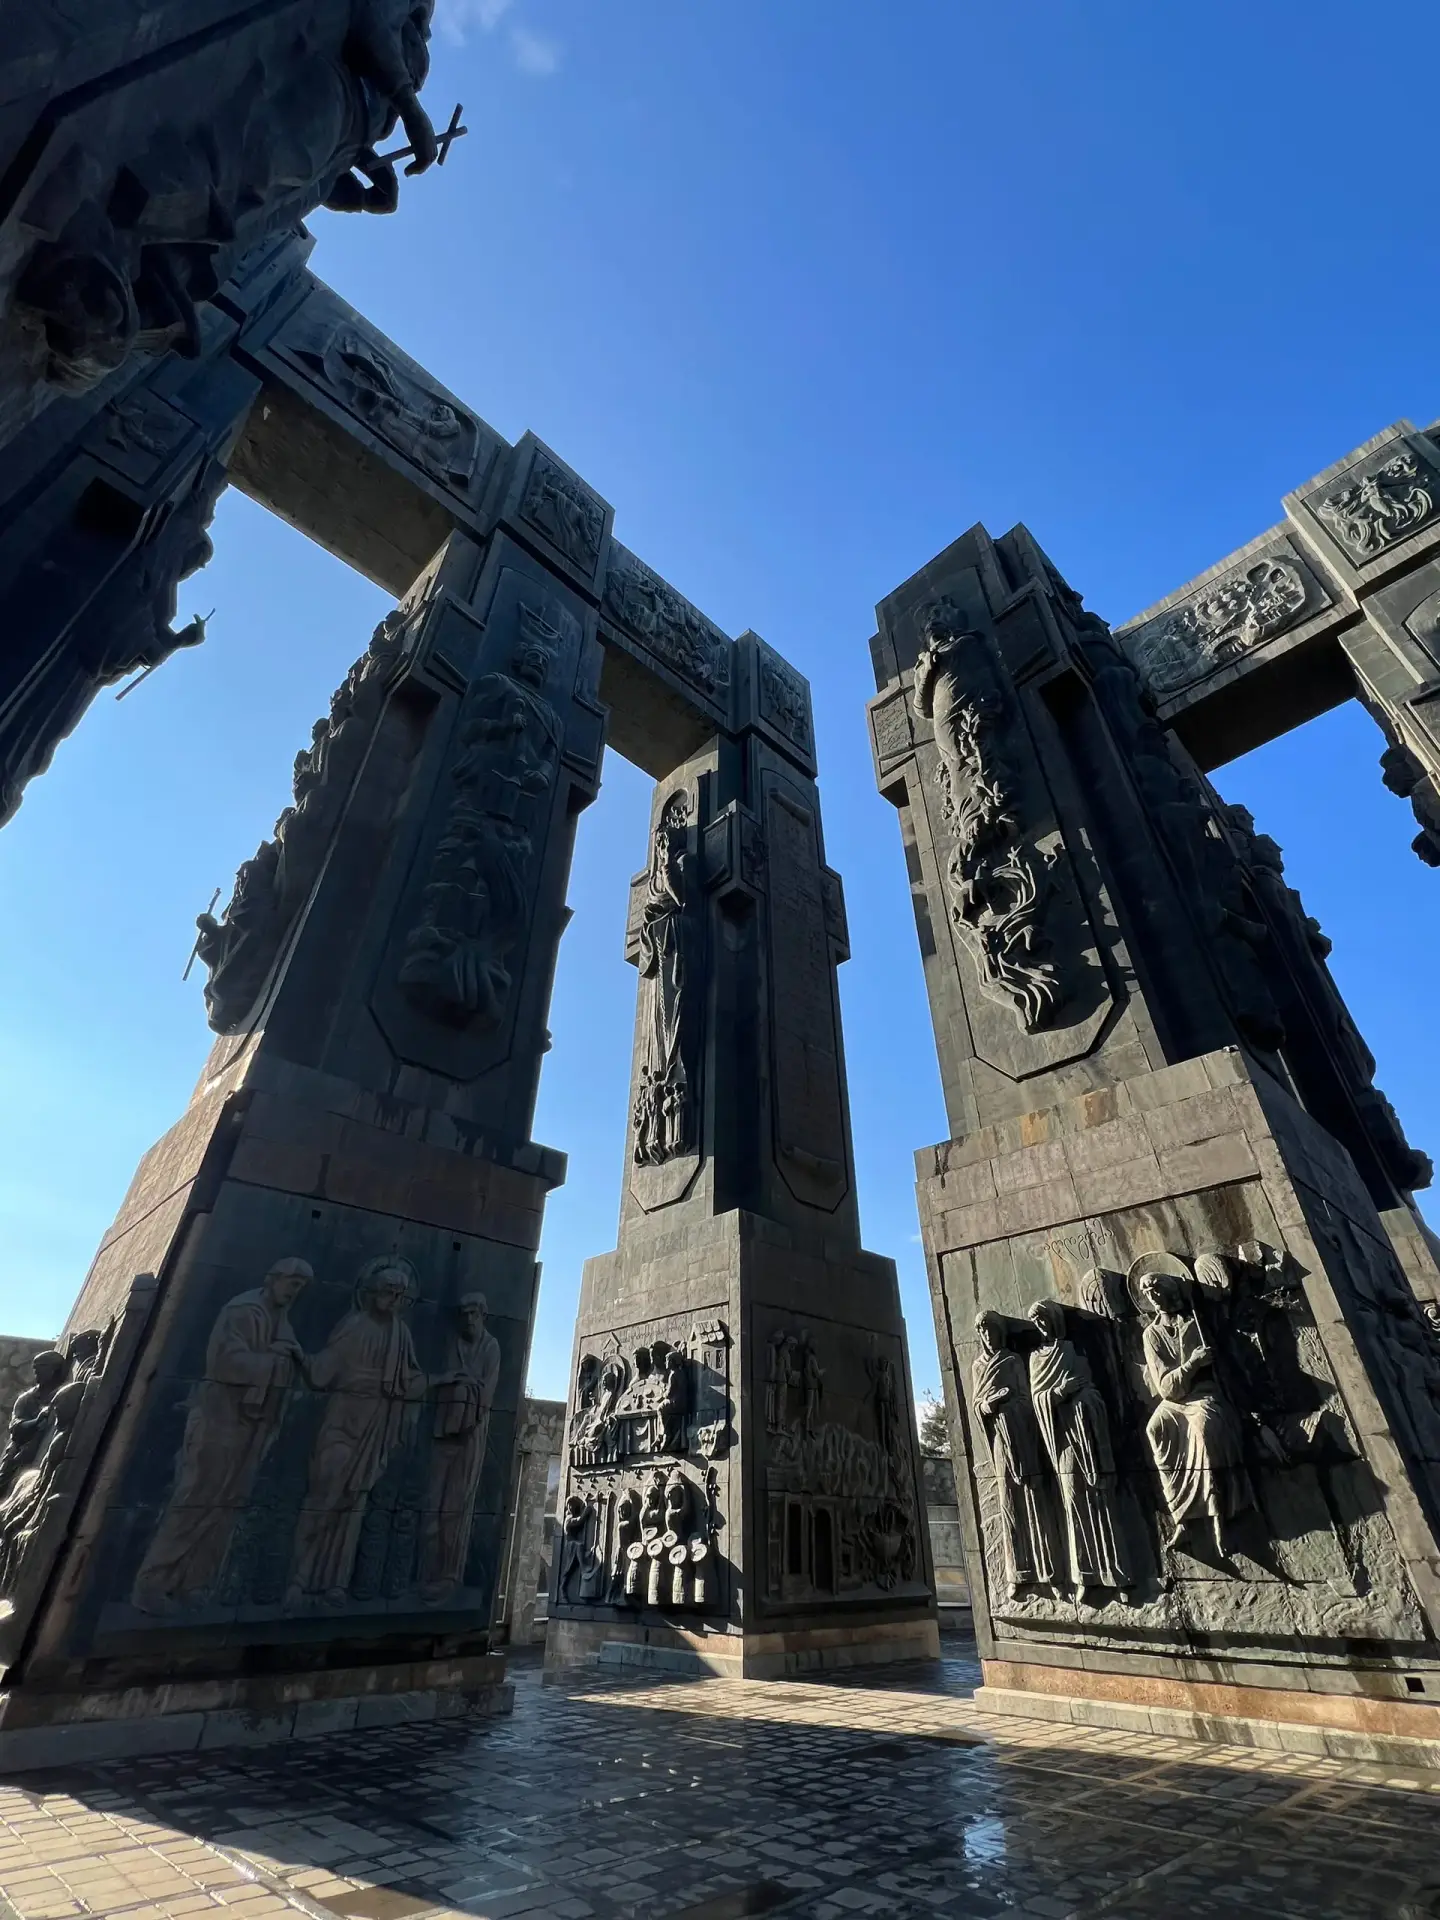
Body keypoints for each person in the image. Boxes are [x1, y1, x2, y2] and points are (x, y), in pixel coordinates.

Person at [132, 1258, 311, 1611]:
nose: (295, 1292)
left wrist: (292, 1361)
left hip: (254, 1425)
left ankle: (195, 1584)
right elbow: (227, 1363)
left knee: (228, 1504)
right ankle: (152, 1584)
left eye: (300, 1288)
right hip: (220, 1419)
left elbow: (295, 1364)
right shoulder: (243, 1311)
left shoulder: (281, 1319)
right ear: (273, 1278)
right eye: (292, 1284)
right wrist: (273, 1359)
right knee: (196, 1498)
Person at [288, 1257, 424, 1605]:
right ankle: (299, 1577)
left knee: (354, 1503)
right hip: (342, 1420)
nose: (393, 1300)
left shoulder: (401, 1334)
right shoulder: (355, 1326)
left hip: (375, 1426)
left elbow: (408, 1379)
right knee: (324, 1493)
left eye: (400, 1295)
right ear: (373, 1292)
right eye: (388, 1292)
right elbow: (324, 1371)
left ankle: (335, 1582)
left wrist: (432, 1382)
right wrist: (300, 1357)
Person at [1136, 1270, 1254, 1557]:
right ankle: (1183, 1519)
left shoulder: (1196, 1321)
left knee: (1203, 1430)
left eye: (1157, 1289)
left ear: (1171, 1289)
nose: (1153, 1296)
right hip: (1176, 1400)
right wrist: (1192, 1364)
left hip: (1205, 1393)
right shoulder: (1151, 1334)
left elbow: (1229, 1358)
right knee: (1156, 1428)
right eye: (1147, 1293)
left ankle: (1219, 1520)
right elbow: (1166, 1387)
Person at [1027, 1300, 1129, 1602]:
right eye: (1036, 1321)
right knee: (1073, 1501)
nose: (1041, 1325)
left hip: (1086, 1433)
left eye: (1044, 1319)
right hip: (1062, 1439)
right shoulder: (1035, 1359)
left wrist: (1083, 1401)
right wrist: (1060, 1393)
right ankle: (1084, 1575)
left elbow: (1094, 1391)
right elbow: (1038, 1399)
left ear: (1055, 1320)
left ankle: (1116, 1575)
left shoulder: (1073, 1351)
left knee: (1101, 1502)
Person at [418, 1293, 501, 1599]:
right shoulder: (451, 1344)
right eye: (464, 1314)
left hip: (469, 1433)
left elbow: (487, 1393)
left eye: (473, 1314)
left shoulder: (490, 1348)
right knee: (431, 1502)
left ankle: (449, 1575)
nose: (468, 1320)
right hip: (443, 1430)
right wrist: (454, 1380)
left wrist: (466, 1395)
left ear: (483, 1316)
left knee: (456, 1505)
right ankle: (424, 1573)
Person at [971, 1313, 1055, 1598]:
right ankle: (1017, 1573)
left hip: (1020, 1436)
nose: (987, 1336)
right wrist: (987, 1406)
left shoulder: (1012, 1361)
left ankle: (1047, 1569)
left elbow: (1025, 1398)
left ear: (1001, 1332)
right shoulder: (978, 1366)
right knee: (1007, 1501)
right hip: (998, 1439)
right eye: (983, 1331)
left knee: (1032, 1498)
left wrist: (1009, 1406)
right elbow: (976, 1405)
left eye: (991, 1330)